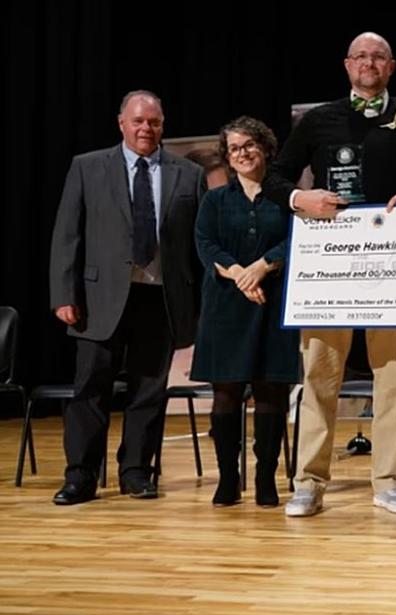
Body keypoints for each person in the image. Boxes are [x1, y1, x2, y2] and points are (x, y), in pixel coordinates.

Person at [262, 31, 396, 516]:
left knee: (392, 377)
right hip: (332, 263)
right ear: (347, 65)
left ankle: (388, 481)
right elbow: (277, 177)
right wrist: (300, 199)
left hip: (392, 263)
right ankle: (308, 482)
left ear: (392, 67)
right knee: (320, 373)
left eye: (378, 56)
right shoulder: (319, 120)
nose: (369, 63)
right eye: (361, 56)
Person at [49, 90, 205, 505]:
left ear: (162, 125)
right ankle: (80, 476)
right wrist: (64, 294)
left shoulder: (187, 174)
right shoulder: (87, 167)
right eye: (137, 121)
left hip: (161, 298)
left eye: (153, 122)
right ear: (122, 123)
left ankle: (136, 472)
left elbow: (196, 244)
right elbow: (68, 234)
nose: (145, 129)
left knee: (149, 391)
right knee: (90, 390)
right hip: (98, 298)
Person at [190, 116, 299, 507]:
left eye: (249, 145)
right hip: (226, 303)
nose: (243, 153)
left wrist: (263, 266)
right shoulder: (215, 199)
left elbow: (299, 239)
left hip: (274, 302)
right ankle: (228, 479)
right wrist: (240, 274)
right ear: (228, 157)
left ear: (265, 147)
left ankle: (266, 478)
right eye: (235, 148)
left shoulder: (286, 196)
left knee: (271, 390)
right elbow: (205, 244)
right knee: (226, 393)